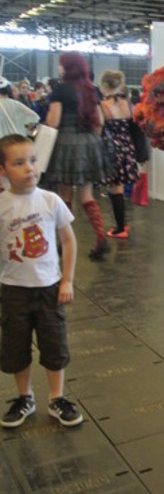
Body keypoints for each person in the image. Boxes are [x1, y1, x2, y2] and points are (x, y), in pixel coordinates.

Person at [0, 134, 82, 428]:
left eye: (33, 160)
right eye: (19, 163)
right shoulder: (2, 206)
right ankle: (25, 397)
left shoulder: (51, 200)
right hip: (13, 291)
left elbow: (69, 242)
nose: (30, 168)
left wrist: (67, 281)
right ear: (3, 169)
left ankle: (57, 398)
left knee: (54, 345)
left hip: (49, 289)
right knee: (15, 347)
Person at [45, 52, 108, 260]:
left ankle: (64, 242)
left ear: (68, 68)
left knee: (65, 195)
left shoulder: (60, 90)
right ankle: (101, 236)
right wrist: (90, 142)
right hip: (88, 143)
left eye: (62, 65)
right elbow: (99, 120)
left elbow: (53, 122)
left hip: (67, 143)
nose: (59, 68)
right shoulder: (91, 89)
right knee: (87, 195)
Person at [99, 70, 139, 238]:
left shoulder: (102, 105)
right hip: (127, 147)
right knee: (120, 187)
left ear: (106, 86)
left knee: (115, 188)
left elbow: (98, 128)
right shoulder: (128, 103)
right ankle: (122, 225)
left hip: (111, 149)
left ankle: (120, 228)